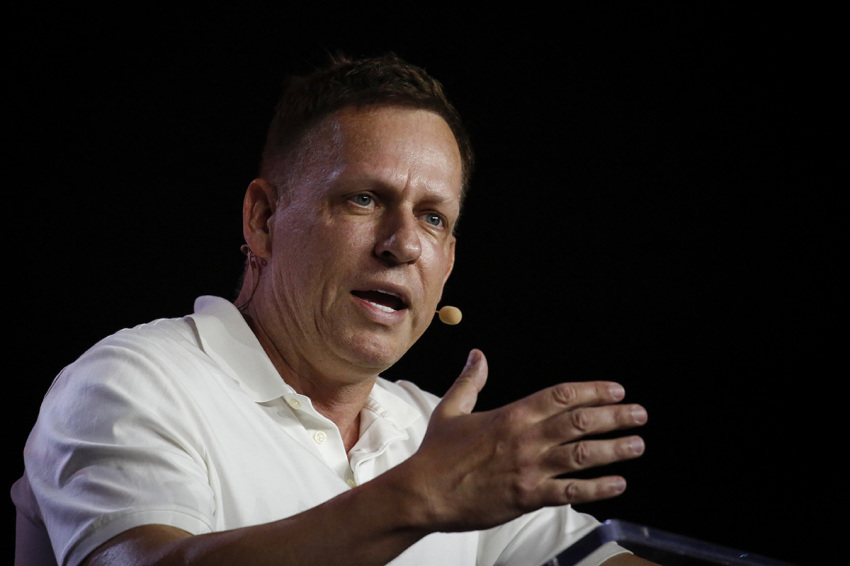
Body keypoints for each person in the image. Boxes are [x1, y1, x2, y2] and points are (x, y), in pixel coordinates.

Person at [12, 53, 655, 566]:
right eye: (364, 199)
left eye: (433, 217)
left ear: (449, 264)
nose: (403, 244)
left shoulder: (437, 437)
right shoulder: (131, 382)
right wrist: (415, 499)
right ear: (263, 220)